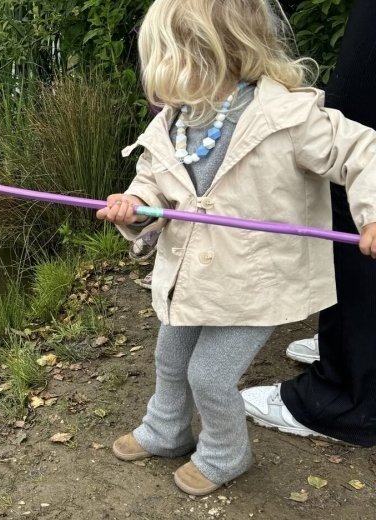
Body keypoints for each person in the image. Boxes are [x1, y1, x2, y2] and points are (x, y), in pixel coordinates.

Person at [97, 0, 376, 496]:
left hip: (254, 281)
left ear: (212, 55)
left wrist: (372, 211)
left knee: (208, 374)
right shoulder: (173, 123)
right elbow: (152, 185)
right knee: (169, 356)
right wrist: (135, 206)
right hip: (194, 276)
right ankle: (166, 430)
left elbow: (360, 150)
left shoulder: (286, 116)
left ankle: (226, 454)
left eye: (165, 56)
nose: (154, 74)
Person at [241, 0, 376, 447]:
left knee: (356, 138)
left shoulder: (286, 111)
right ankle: (356, 346)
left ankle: (346, 396)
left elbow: (359, 149)